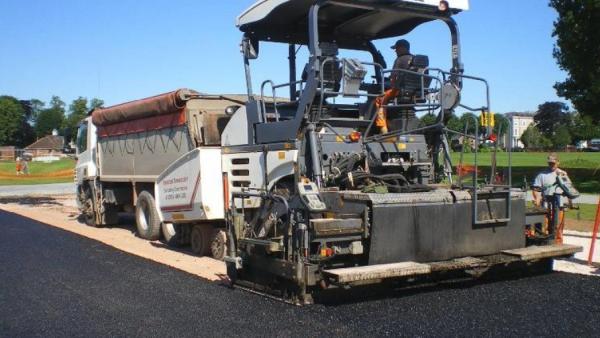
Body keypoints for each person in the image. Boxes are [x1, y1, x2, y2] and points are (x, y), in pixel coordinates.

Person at [531, 153, 574, 243]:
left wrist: (570, 202)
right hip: (546, 204)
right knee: (545, 224)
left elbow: (569, 188)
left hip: (560, 204)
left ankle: (558, 243)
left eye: (553, 163)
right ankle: (545, 242)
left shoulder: (562, 174)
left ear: (558, 162)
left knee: (558, 225)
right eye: (550, 163)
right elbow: (536, 189)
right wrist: (537, 199)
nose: (551, 165)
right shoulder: (541, 175)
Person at [375, 39, 414, 134]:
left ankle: (383, 128)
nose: (395, 51)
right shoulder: (416, 59)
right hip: (416, 91)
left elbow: (393, 77)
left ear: (402, 48)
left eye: (396, 48)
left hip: (400, 90)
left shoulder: (399, 59)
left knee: (379, 99)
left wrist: (390, 85)